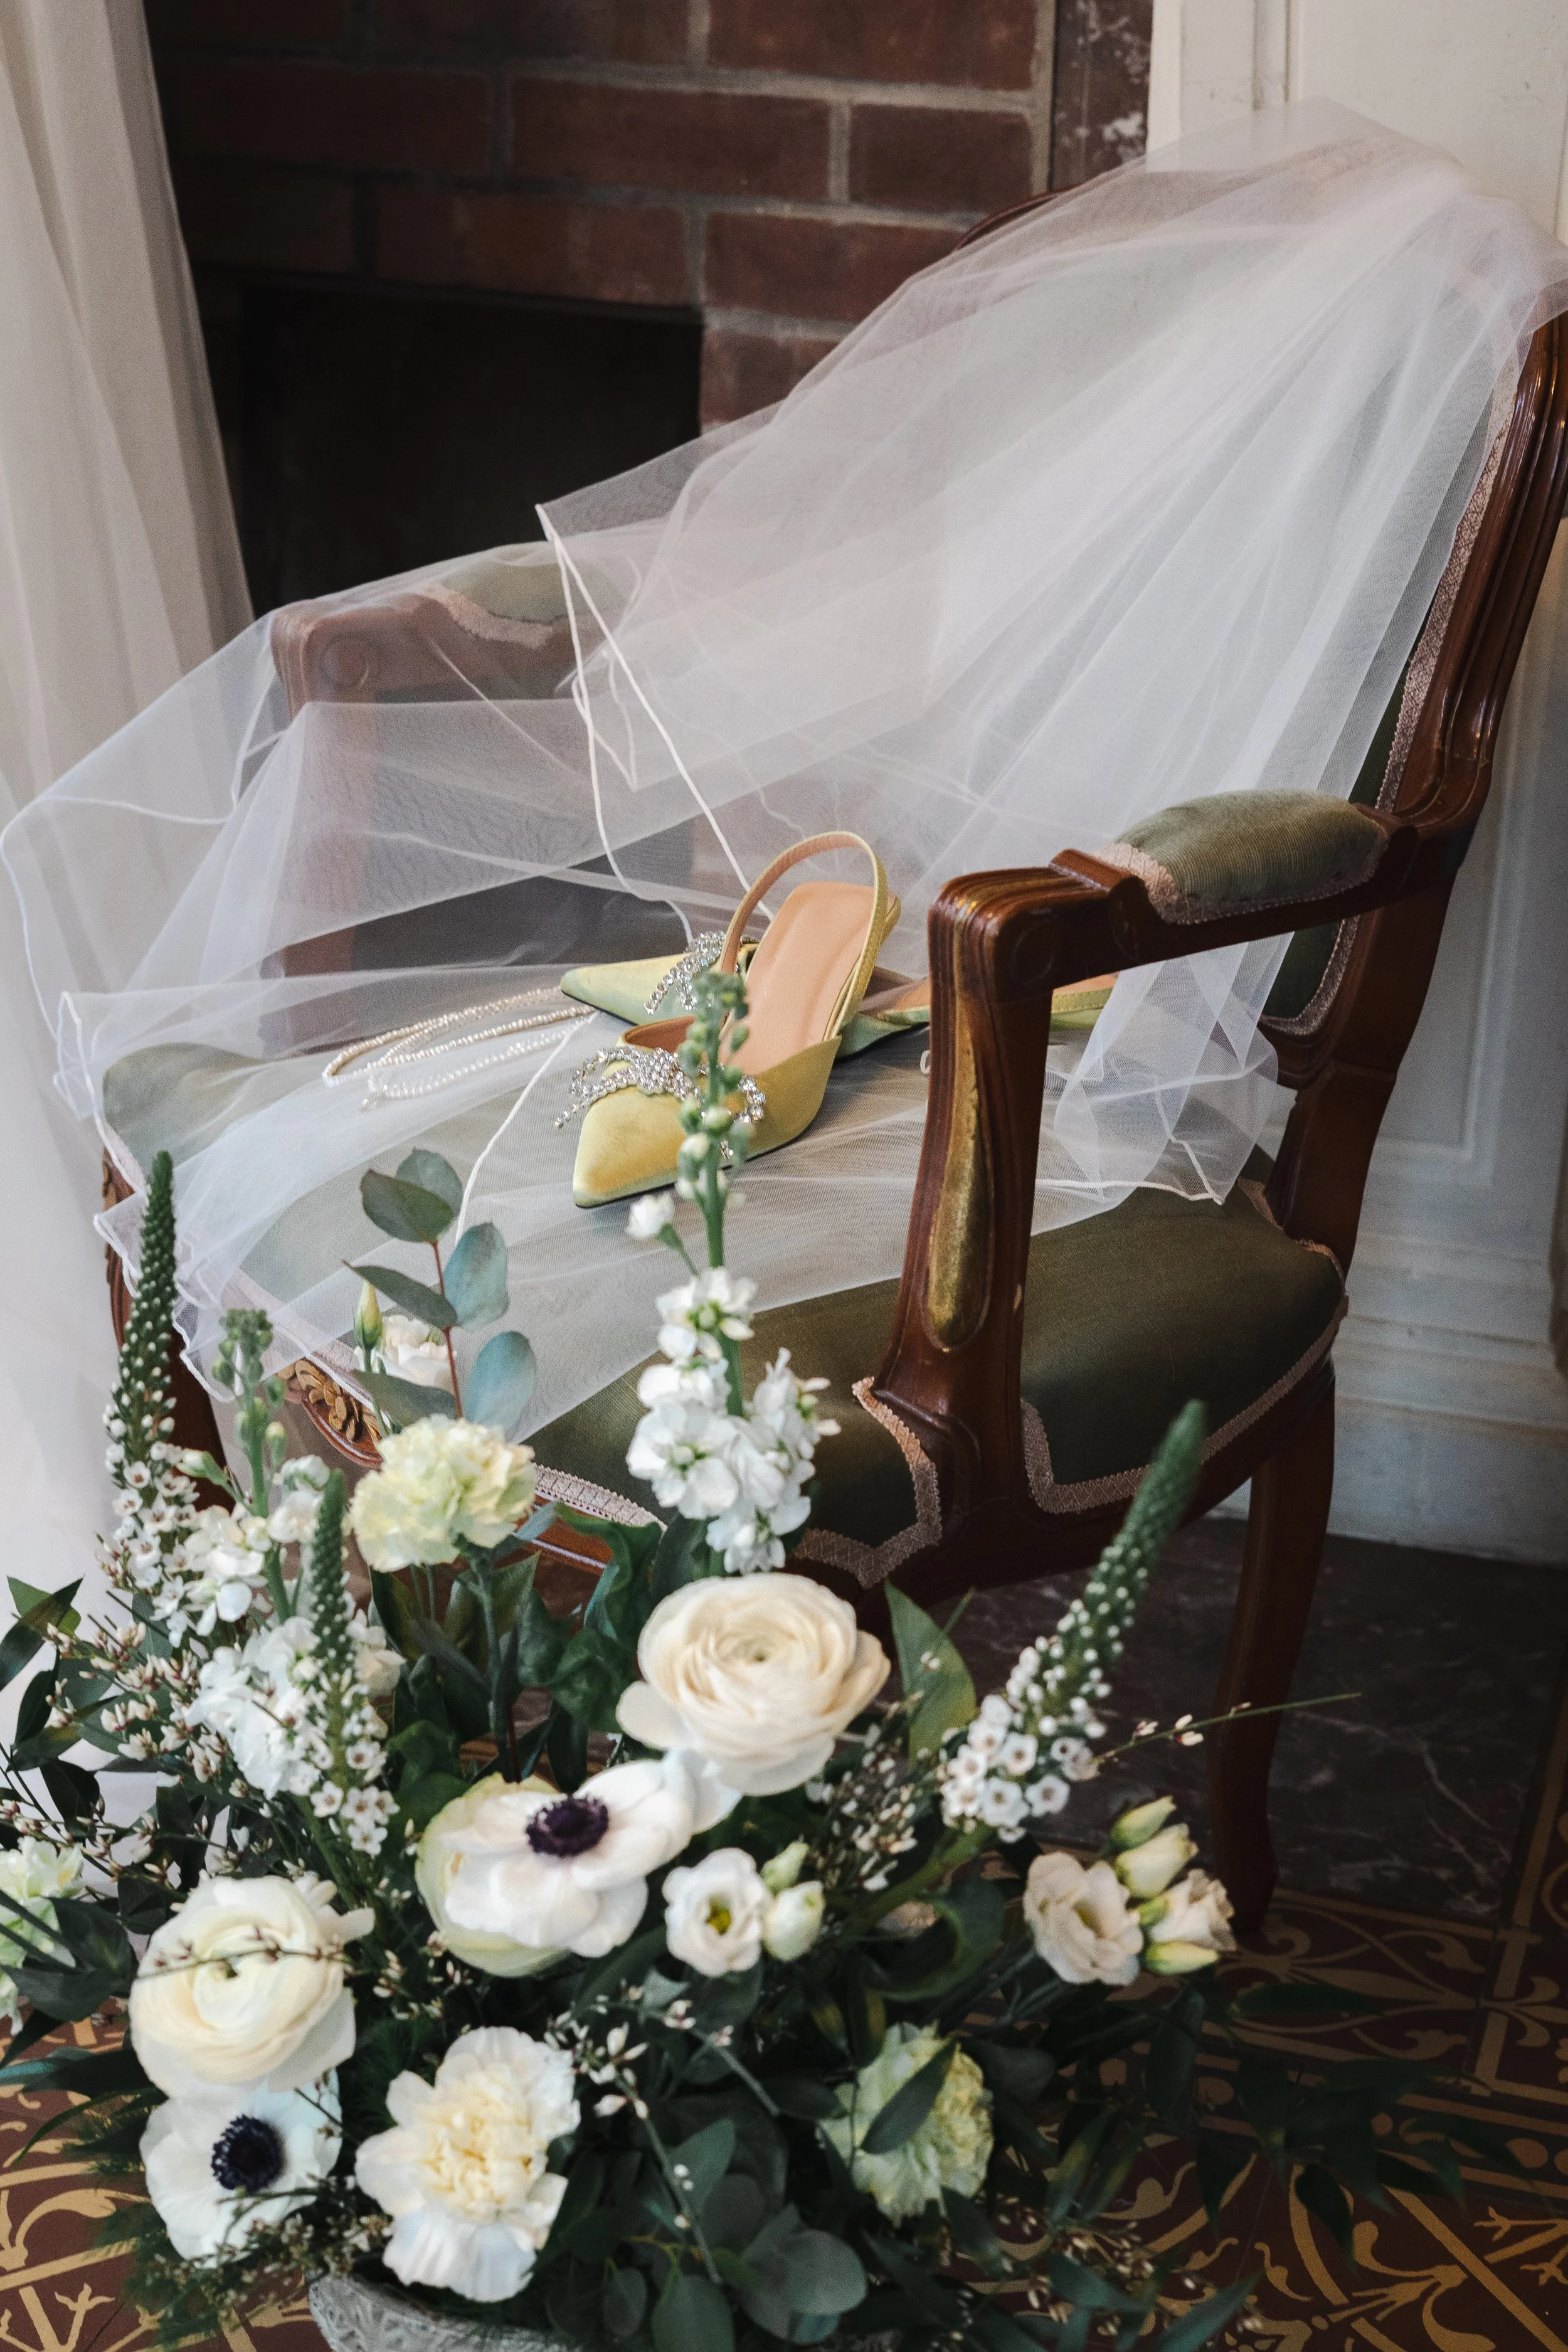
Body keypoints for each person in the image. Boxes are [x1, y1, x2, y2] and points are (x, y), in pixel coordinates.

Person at [8, 100, 1566, 1449]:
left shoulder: (1421, 414)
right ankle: (270, 1703)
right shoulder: (1027, 403)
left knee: (569, 1257)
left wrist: (1022, 932)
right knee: (260, 1151)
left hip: (1055, 1001)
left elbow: (1378, 820)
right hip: (843, 981)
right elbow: (841, 569)